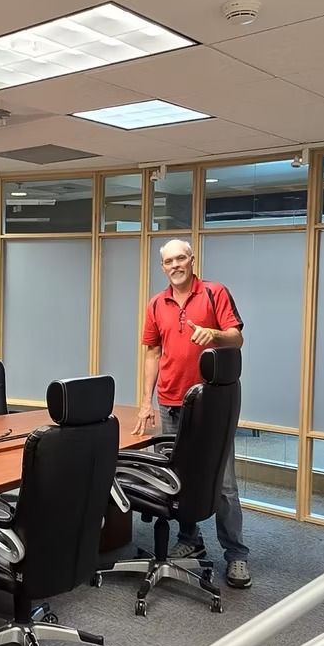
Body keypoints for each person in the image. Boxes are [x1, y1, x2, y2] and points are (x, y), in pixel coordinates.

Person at [135, 238, 251, 588]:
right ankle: (189, 540)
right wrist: (145, 401)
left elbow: (237, 339)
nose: (175, 265)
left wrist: (214, 333)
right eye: (168, 261)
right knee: (178, 479)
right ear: (163, 266)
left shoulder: (215, 293)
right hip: (171, 403)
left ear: (192, 259)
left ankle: (237, 555)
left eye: (181, 258)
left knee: (224, 484)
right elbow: (152, 354)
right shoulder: (156, 303)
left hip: (212, 405)